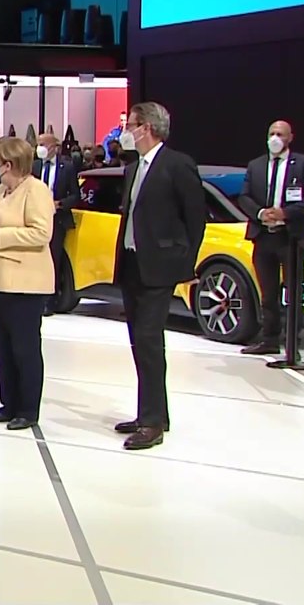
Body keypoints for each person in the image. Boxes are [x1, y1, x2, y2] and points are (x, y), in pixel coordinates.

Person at [113, 102, 205, 451]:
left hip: (159, 268)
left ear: (147, 127)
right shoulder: (133, 168)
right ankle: (148, 412)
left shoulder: (177, 164)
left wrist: (183, 262)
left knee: (150, 341)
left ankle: (153, 423)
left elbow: (195, 218)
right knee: (140, 342)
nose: (126, 130)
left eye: (131, 124)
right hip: (134, 265)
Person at [0, 137, 55, 429]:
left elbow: (41, 234)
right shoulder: (1, 191)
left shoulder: (36, 190)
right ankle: (8, 404)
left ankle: (27, 409)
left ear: (9, 164)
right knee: (2, 349)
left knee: (25, 348)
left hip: (25, 283)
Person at [236, 120, 304, 356]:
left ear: (290, 138)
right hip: (263, 236)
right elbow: (244, 197)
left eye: (280, 134)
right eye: (272, 133)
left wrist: (285, 213)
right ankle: (269, 339)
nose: (275, 138)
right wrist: (261, 213)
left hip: (290, 237)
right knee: (268, 292)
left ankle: (293, 340)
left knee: (294, 290)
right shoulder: (256, 165)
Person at [34, 132, 81, 315]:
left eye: (44, 144)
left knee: (53, 259)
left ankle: (50, 301)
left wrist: (59, 204)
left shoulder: (67, 167)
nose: (40, 148)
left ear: (54, 147)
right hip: (36, 218)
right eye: (39, 144)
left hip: (57, 219)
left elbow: (75, 195)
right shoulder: (35, 166)